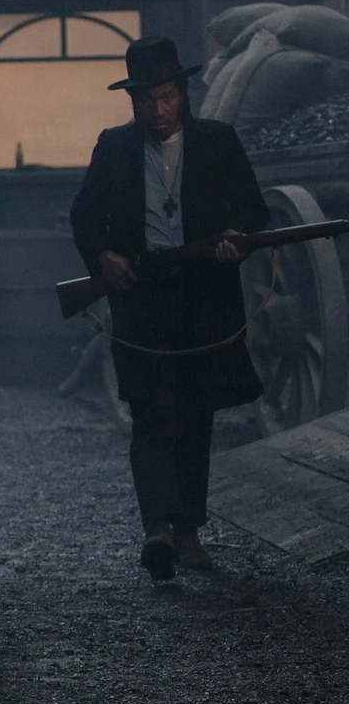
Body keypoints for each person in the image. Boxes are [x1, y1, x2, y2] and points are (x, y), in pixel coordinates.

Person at [69, 36, 265, 581]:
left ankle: (190, 533)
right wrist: (105, 257)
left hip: (203, 298)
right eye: (146, 101)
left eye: (166, 97)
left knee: (195, 413)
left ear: (182, 92)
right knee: (151, 414)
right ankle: (157, 527)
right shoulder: (113, 147)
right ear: (131, 101)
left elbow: (254, 207)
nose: (157, 111)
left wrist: (235, 235)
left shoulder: (219, 143)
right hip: (140, 299)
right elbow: (84, 217)